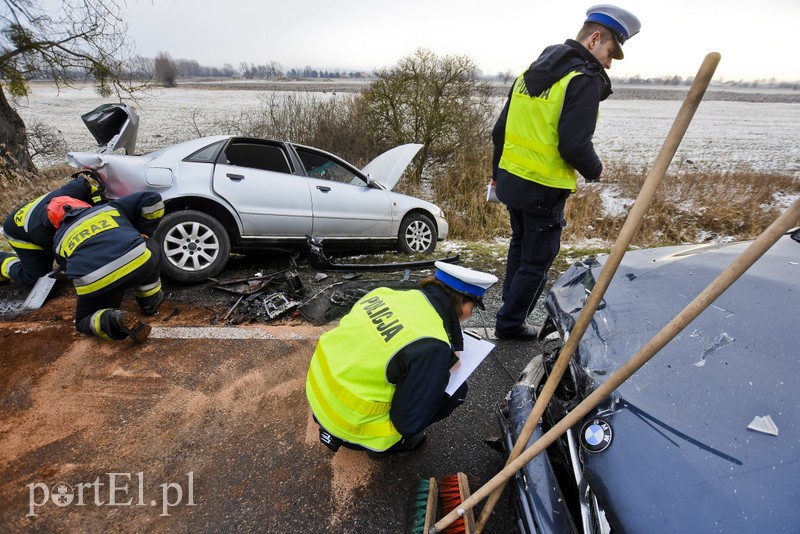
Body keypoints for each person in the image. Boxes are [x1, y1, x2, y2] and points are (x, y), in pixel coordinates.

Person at [492, 5, 640, 340]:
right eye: (610, 52)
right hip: (543, 188)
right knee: (537, 262)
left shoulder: (532, 71)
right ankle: (511, 323)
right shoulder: (582, 80)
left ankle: (508, 309)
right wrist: (596, 169)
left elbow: (500, 129)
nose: (608, 63)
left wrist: (495, 173)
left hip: (512, 181)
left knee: (519, 245)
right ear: (595, 39)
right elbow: (573, 146)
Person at [306, 261, 497, 459]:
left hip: (318, 392)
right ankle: (389, 447)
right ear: (460, 302)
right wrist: (440, 373)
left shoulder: (385, 294)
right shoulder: (432, 346)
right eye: (472, 307)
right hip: (350, 422)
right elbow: (409, 422)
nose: (471, 313)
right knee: (457, 392)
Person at [49, 192, 165, 343]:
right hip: (138, 261)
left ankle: (112, 319)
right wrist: (144, 230)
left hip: (96, 282)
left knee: (83, 320)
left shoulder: (58, 240)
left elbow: (68, 268)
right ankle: (150, 302)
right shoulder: (109, 208)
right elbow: (152, 198)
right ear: (83, 205)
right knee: (150, 245)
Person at [0, 170, 107, 287]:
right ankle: (2, 262)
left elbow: (86, 185)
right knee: (35, 279)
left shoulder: (79, 189)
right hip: (18, 231)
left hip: (39, 212)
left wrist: (99, 197)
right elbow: (68, 262)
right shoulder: (45, 233)